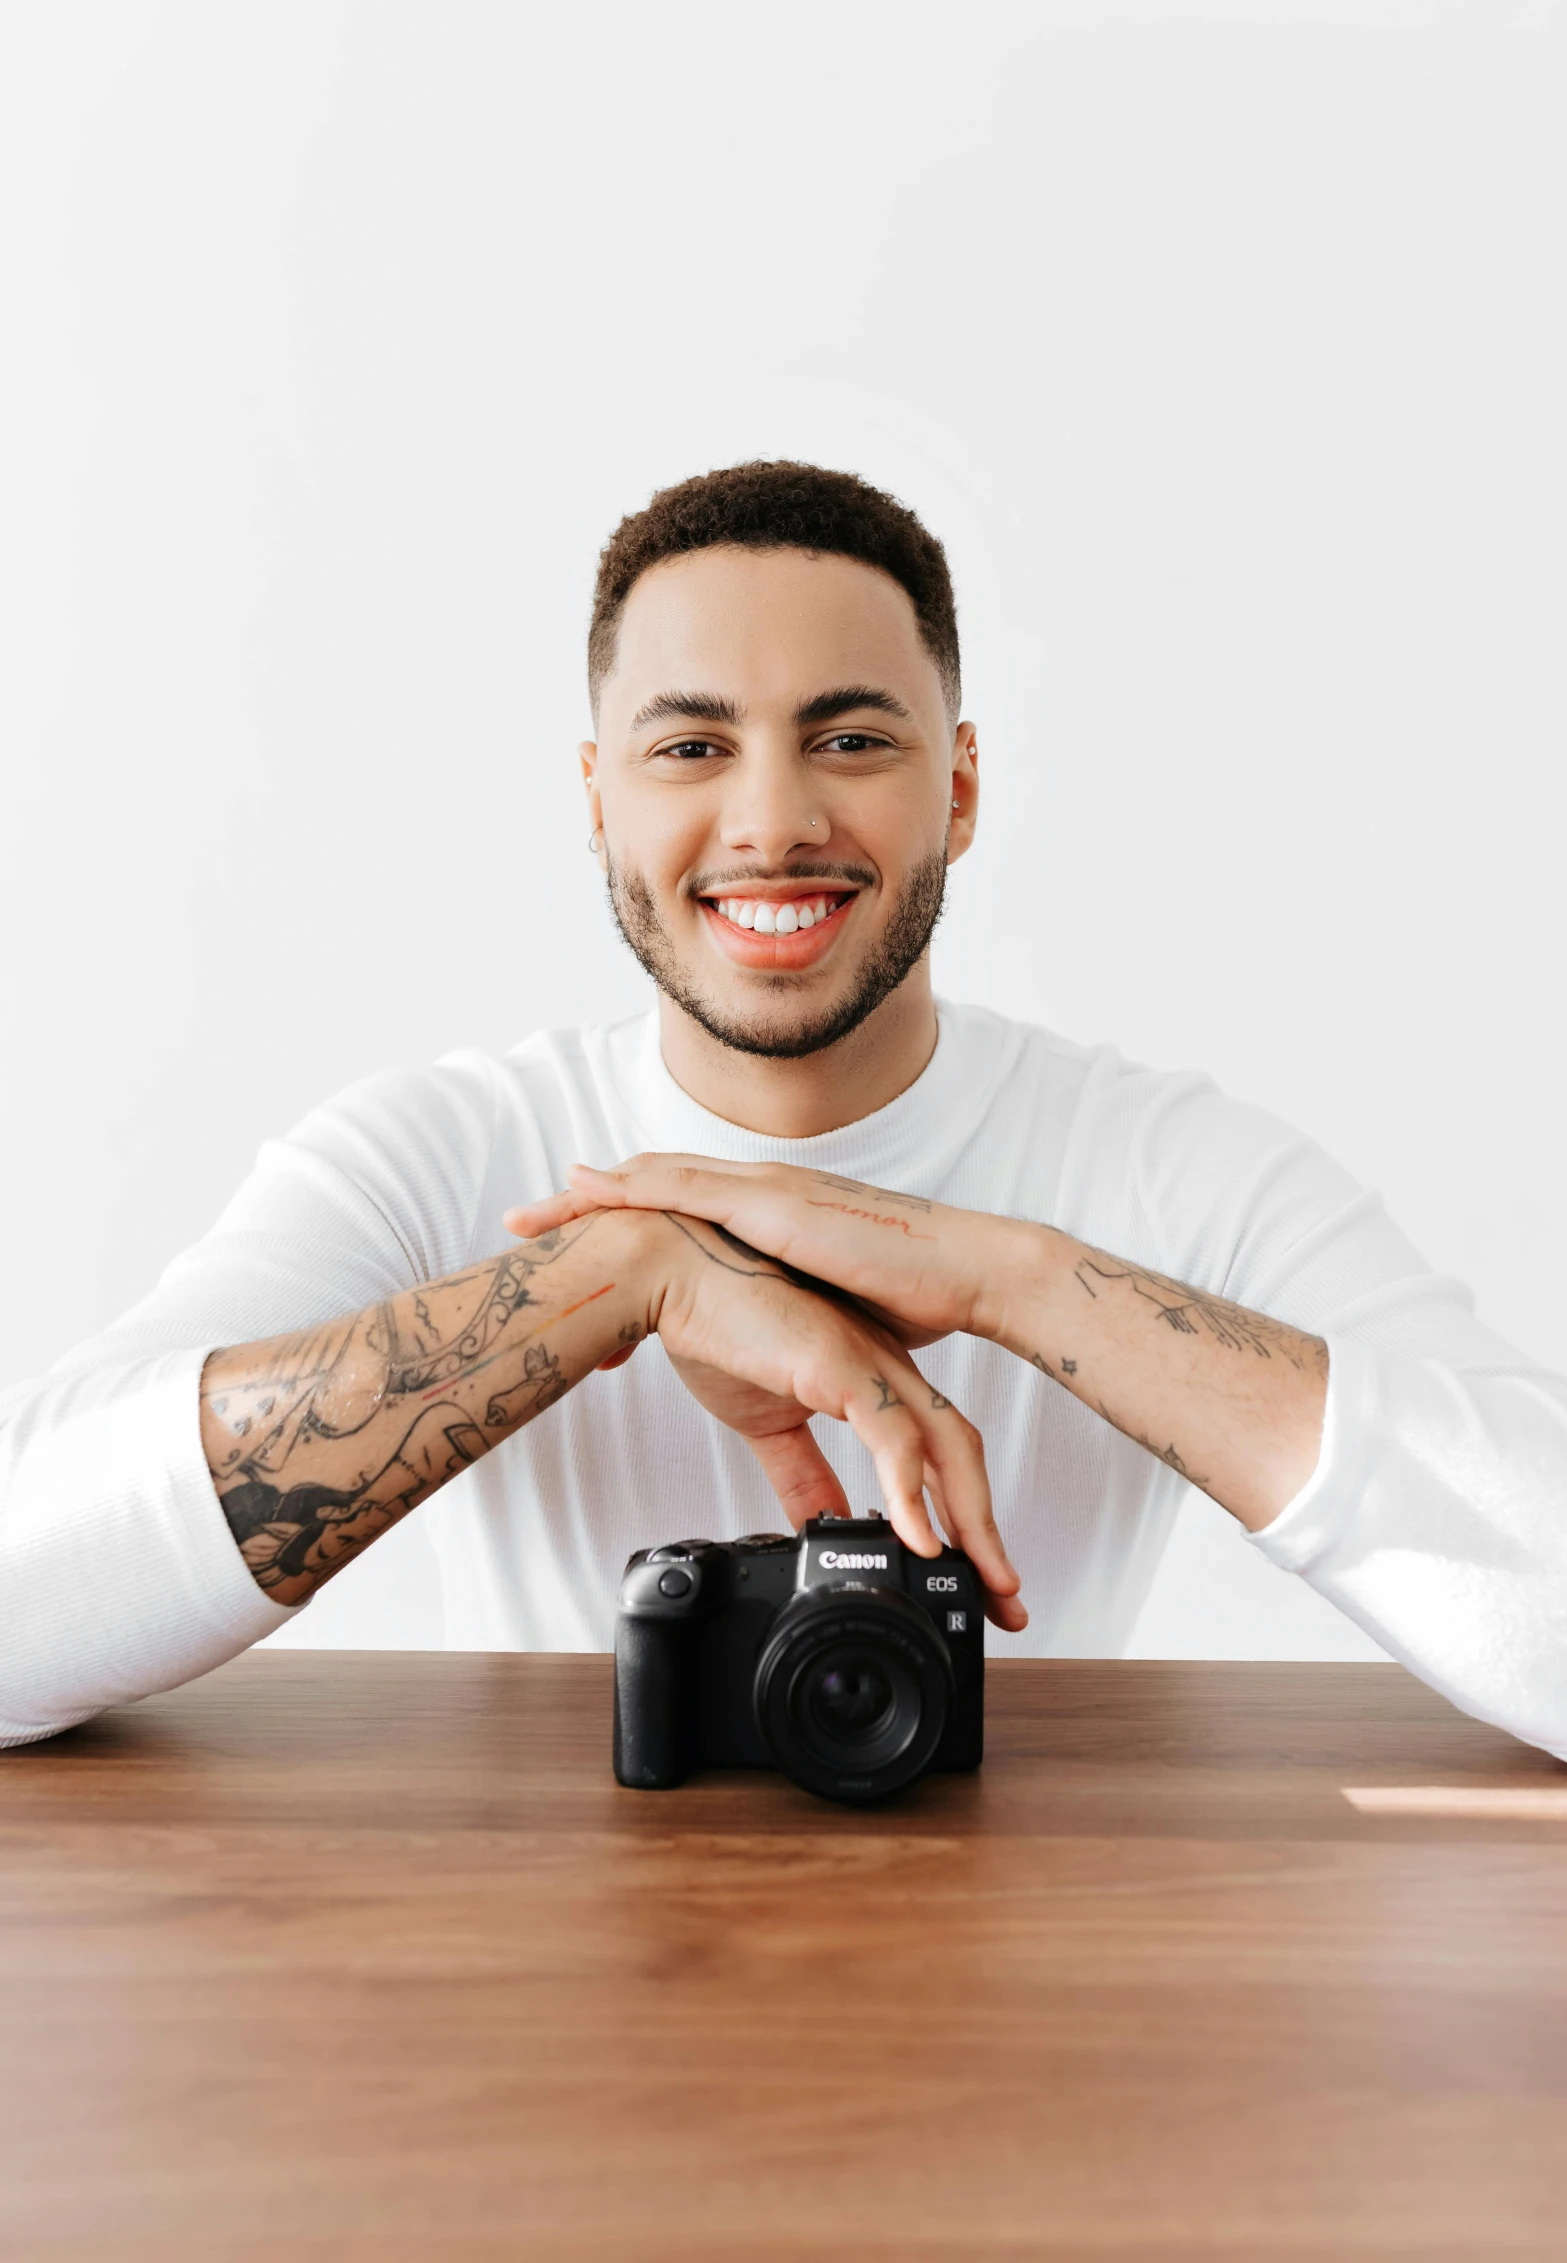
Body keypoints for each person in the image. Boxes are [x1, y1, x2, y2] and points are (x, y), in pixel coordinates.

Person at [3, 461, 1563, 1755]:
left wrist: (1008, 1277)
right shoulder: (436, 1154)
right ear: (598, 794)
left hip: (1041, 1996)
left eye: (850, 738)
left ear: (956, 785)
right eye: (691, 746)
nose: (770, 820)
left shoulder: (1161, 1163)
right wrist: (612, 1276)